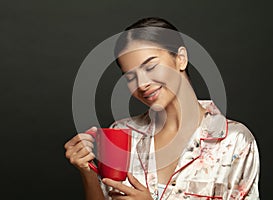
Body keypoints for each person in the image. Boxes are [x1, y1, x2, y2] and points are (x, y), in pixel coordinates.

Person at [64, 17, 260, 200]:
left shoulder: (235, 142)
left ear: (181, 58)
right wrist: (88, 173)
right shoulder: (121, 134)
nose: (142, 84)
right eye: (130, 77)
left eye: (150, 67)